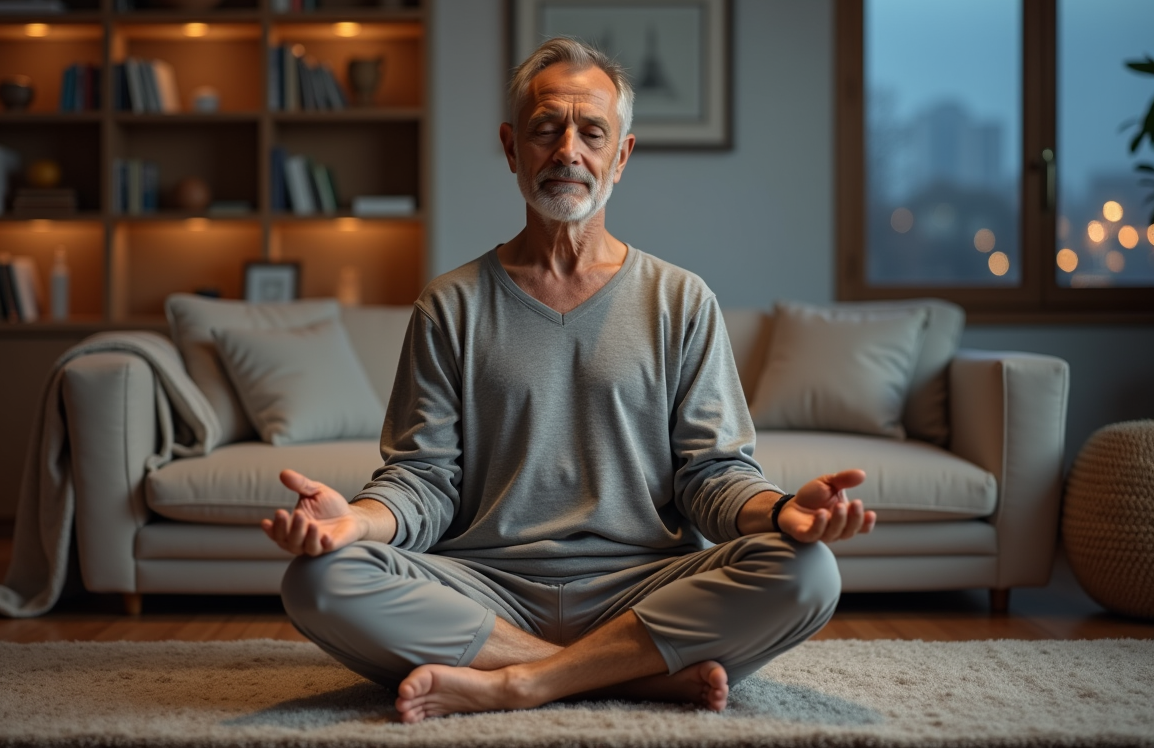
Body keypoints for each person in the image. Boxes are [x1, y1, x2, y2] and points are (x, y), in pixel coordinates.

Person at [261, 37, 876, 723]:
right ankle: (630, 674)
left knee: (807, 570)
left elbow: (712, 476)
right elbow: (422, 480)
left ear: (623, 156)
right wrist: (356, 520)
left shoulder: (681, 300)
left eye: (592, 133)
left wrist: (783, 511)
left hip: (644, 588)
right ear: (511, 147)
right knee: (320, 578)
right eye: (545, 129)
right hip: (485, 590)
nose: (567, 152)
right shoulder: (450, 304)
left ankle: (516, 682)